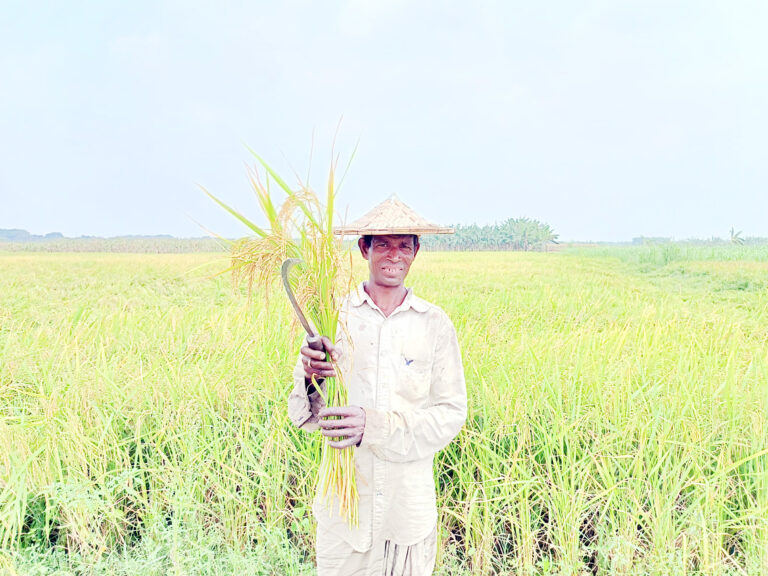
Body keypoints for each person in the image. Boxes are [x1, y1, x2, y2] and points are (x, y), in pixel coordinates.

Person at [287, 196, 467, 575]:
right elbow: (306, 415)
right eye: (382, 244)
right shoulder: (332, 316)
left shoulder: (434, 325)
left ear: (416, 251)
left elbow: (450, 415)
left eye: (404, 245)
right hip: (344, 515)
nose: (393, 255)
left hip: (408, 516)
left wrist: (373, 425)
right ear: (364, 248)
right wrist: (311, 375)